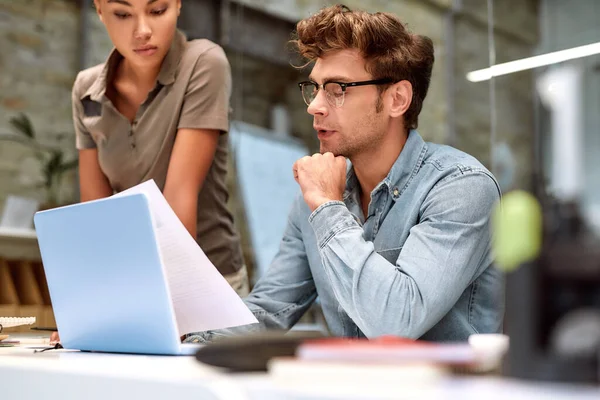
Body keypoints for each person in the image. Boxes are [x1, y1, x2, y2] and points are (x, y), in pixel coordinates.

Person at [185, 4, 504, 343]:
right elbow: (269, 310)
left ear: (397, 99)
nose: (314, 105)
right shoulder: (317, 198)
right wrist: (188, 341)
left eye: (338, 89)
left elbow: (396, 322)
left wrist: (327, 208)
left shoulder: (461, 187)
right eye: (315, 87)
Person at [72, 0, 249, 294]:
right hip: (136, 283)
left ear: (178, 5)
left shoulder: (203, 63)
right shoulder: (86, 90)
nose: (142, 31)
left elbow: (179, 196)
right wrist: (91, 306)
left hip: (208, 284)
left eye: (156, 11)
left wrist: (170, 304)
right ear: (100, 10)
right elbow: (96, 214)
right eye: (123, 14)